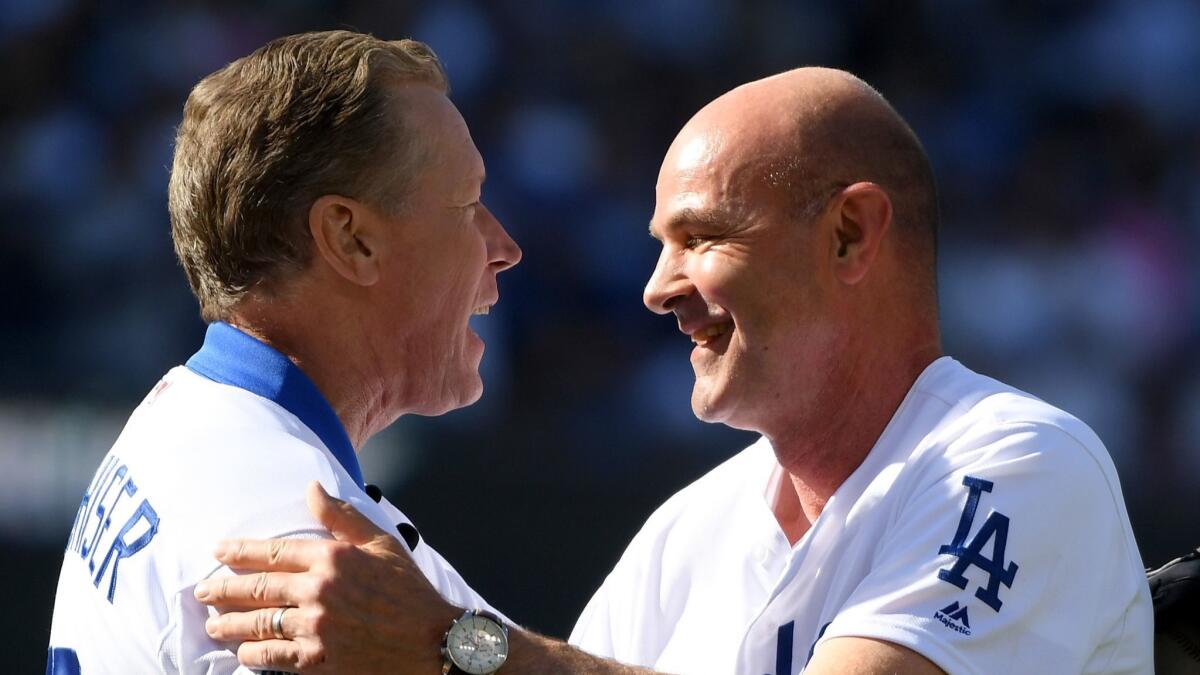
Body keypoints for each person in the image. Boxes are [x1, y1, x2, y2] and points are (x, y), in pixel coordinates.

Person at [195, 68, 1154, 674]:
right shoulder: (691, 530)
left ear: (851, 233)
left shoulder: (1020, 465)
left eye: (702, 237)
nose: (659, 288)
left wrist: (450, 645)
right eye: (660, 244)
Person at [46, 31, 523, 674]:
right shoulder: (295, 540)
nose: (503, 246)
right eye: (467, 206)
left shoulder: (191, 413)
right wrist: (463, 652)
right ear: (350, 238)